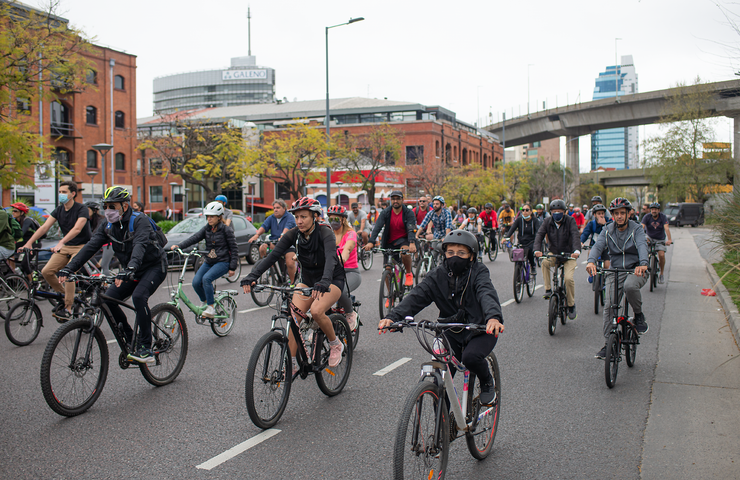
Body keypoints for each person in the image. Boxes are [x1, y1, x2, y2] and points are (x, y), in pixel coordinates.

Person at [378, 230, 504, 405]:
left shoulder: (479, 271)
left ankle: (487, 381)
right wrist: (393, 317)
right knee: (439, 378)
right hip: (449, 330)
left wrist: (493, 317)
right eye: (450, 252)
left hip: (481, 329)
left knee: (471, 357)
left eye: (461, 253)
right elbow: (417, 295)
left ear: (471, 256)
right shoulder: (438, 274)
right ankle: (442, 423)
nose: (454, 257)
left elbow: (486, 293)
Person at [58, 186, 167, 363]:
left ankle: (146, 347)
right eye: (106, 206)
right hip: (129, 270)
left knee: (139, 297)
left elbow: (139, 246)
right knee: (108, 300)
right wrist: (69, 268)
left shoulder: (140, 221)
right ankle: (132, 338)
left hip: (153, 266)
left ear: (124, 206)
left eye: (112, 206)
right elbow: (90, 247)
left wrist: (130, 268)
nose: (108, 210)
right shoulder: (107, 226)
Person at [241, 197, 346, 369]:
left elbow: (330, 259)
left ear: (314, 216)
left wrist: (325, 281)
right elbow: (273, 256)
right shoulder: (294, 234)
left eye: (303, 217)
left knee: (318, 311)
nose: (299, 221)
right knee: (294, 317)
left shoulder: (325, 232)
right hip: (307, 281)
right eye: (297, 217)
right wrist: (252, 276)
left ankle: (336, 344)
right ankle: (289, 365)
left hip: (332, 279)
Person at [587, 198, 649, 359]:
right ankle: (609, 344)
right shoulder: (607, 229)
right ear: (612, 215)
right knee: (609, 306)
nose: (620, 216)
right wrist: (591, 261)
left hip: (636, 269)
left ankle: (638, 315)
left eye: (623, 213)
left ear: (628, 214)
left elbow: (642, 245)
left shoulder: (637, 229)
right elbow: (598, 245)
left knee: (630, 286)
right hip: (615, 270)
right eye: (616, 213)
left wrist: (643, 263)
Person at [20, 181, 91, 321]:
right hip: (66, 246)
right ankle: (64, 296)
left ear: (73, 194)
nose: (61, 195)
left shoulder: (81, 209)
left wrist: (61, 242)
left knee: (69, 272)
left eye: (64, 192)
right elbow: (44, 227)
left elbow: (77, 229)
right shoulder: (58, 210)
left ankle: (68, 308)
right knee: (47, 271)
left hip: (82, 246)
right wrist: (29, 243)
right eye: (60, 192)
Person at [170, 201, 238, 319]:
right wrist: (179, 246)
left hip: (223, 262)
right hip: (209, 261)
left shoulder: (226, 230)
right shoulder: (207, 229)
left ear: (219, 217)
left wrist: (232, 267)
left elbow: (234, 248)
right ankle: (206, 301)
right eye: (208, 216)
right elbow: (194, 238)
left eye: (212, 216)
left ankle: (210, 307)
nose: (209, 219)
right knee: (196, 282)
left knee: (207, 278)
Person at [534, 199, 581, 320]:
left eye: (559, 211)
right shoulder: (547, 221)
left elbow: (575, 235)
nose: (557, 214)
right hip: (554, 253)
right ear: (551, 212)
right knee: (544, 263)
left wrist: (576, 251)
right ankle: (548, 289)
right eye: (554, 211)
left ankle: (571, 305)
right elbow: (539, 235)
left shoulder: (570, 221)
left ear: (565, 212)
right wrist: (537, 250)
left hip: (569, 255)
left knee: (568, 279)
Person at [365, 190, 417, 287]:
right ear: (390, 200)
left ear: (402, 200)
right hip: (388, 242)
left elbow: (411, 228)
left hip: (404, 240)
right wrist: (371, 242)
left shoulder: (408, 213)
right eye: (393, 199)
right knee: (387, 270)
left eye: (398, 199)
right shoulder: (386, 212)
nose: (395, 201)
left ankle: (409, 273)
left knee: (405, 253)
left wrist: (412, 242)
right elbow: (377, 227)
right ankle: (389, 297)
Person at [327, 205, 361, 331]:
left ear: (342, 220)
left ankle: (350, 314)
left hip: (350, 272)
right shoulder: (327, 234)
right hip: (332, 272)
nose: (333, 222)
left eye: (336, 219)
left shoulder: (350, 234)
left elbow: (347, 248)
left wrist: (342, 258)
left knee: (339, 290)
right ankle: (321, 329)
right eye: (330, 219)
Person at [248, 199, 297, 283]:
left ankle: (293, 284)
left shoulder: (289, 217)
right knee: (262, 247)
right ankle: (270, 270)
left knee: (290, 263)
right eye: (274, 208)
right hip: (275, 243)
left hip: (288, 245)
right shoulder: (271, 218)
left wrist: (282, 235)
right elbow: (264, 226)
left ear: (284, 208)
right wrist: (257, 235)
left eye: (278, 207)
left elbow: (288, 227)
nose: (275, 210)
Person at [504, 203, 541, 278]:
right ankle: (518, 273)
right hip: (521, 242)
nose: (524, 212)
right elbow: (512, 229)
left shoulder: (535, 220)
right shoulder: (519, 220)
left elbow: (538, 232)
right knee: (517, 254)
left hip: (531, 241)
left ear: (531, 212)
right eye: (523, 210)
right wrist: (506, 237)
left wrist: (537, 240)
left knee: (530, 250)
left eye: (527, 210)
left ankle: (533, 266)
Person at [641, 202, 672, 284]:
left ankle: (661, 273)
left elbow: (666, 228)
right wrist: (640, 238)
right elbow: (642, 227)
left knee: (661, 254)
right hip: (649, 238)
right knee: (644, 250)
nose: (653, 211)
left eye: (655, 209)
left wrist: (669, 239)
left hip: (660, 239)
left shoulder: (663, 217)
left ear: (659, 210)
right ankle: (645, 268)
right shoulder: (647, 217)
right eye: (652, 209)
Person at [580, 203, 611, 279]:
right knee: (590, 253)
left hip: (606, 247)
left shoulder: (609, 223)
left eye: (602, 213)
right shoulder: (592, 224)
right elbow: (585, 233)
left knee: (607, 265)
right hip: (594, 246)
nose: (601, 215)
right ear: (594, 215)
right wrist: (581, 242)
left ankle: (607, 280)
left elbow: (613, 234)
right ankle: (590, 272)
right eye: (599, 213)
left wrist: (605, 225)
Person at [416, 195, 452, 261]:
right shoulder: (431, 213)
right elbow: (423, 224)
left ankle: (445, 263)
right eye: (434, 204)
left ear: (442, 205)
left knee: (441, 248)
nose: (435, 205)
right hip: (436, 235)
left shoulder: (447, 213)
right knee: (433, 253)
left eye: (437, 204)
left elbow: (448, 227)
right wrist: (416, 235)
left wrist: (446, 238)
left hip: (445, 236)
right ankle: (433, 268)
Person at [84, 202, 115, 276]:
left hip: (107, 244)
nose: (85, 213)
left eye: (87, 211)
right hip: (98, 245)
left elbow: (96, 234)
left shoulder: (101, 220)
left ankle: (107, 286)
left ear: (94, 210)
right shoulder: (87, 220)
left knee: (104, 267)